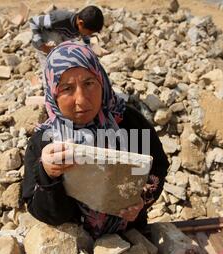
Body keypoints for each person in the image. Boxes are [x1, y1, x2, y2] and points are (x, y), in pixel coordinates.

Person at [22, 41, 169, 239]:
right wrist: (47, 174)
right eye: (66, 88)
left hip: (131, 239)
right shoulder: (46, 142)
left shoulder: (128, 122)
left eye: (89, 83)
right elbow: (46, 213)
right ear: (53, 94)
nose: (81, 100)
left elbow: (157, 165)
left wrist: (142, 198)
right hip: (79, 249)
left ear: (102, 82)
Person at [29, 5, 104, 70]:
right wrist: (42, 45)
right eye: (90, 32)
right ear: (80, 23)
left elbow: (85, 38)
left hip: (59, 41)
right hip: (44, 43)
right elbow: (33, 21)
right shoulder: (58, 19)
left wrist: (92, 51)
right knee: (49, 69)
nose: (90, 34)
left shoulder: (81, 26)